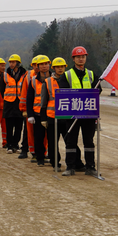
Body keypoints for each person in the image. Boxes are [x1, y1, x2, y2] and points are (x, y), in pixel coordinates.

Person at [64, 46, 100, 176]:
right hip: (72, 114)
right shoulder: (67, 75)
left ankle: (90, 167)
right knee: (71, 141)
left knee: (89, 141)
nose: (81, 58)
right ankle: (70, 167)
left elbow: (98, 90)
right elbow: (62, 91)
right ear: (73, 58)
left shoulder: (91, 74)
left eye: (83, 56)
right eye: (78, 56)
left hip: (88, 114)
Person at [40, 57, 69, 171]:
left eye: (62, 66)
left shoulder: (68, 80)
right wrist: (43, 118)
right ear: (54, 68)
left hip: (66, 117)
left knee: (70, 142)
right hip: (52, 117)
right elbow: (44, 101)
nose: (60, 69)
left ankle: (74, 163)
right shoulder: (47, 82)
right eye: (58, 67)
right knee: (52, 143)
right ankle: (55, 163)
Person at [26, 55, 51, 166]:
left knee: (51, 137)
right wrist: (30, 114)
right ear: (38, 66)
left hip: (51, 113)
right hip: (37, 113)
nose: (44, 66)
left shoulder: (54, 79)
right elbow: (29, 98)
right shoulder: (33, 81)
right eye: (42, 64)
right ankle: (40, 158)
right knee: (39, 137)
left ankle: (52, 157)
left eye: (46, 64)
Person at [2, 54, 26, 154]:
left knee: (19, 126)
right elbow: (1, 88)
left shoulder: (25, 74)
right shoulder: (5, 74)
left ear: (18, 63)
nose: (11, 64)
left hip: (19, 103)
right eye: (10, 62)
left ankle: (16, 144)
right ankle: (9, 145)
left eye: (13, 62)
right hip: (9, 103)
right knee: (9, 125)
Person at [18, 57, 39, 159]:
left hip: (41, 109)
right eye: (35, 65)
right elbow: (23, 93)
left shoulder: (48, 76)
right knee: (27, 131)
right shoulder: (28, 76)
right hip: (30, 108)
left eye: (38, 64)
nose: (37, 67)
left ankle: (41, 152)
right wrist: (24, 109)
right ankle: (24, 150)